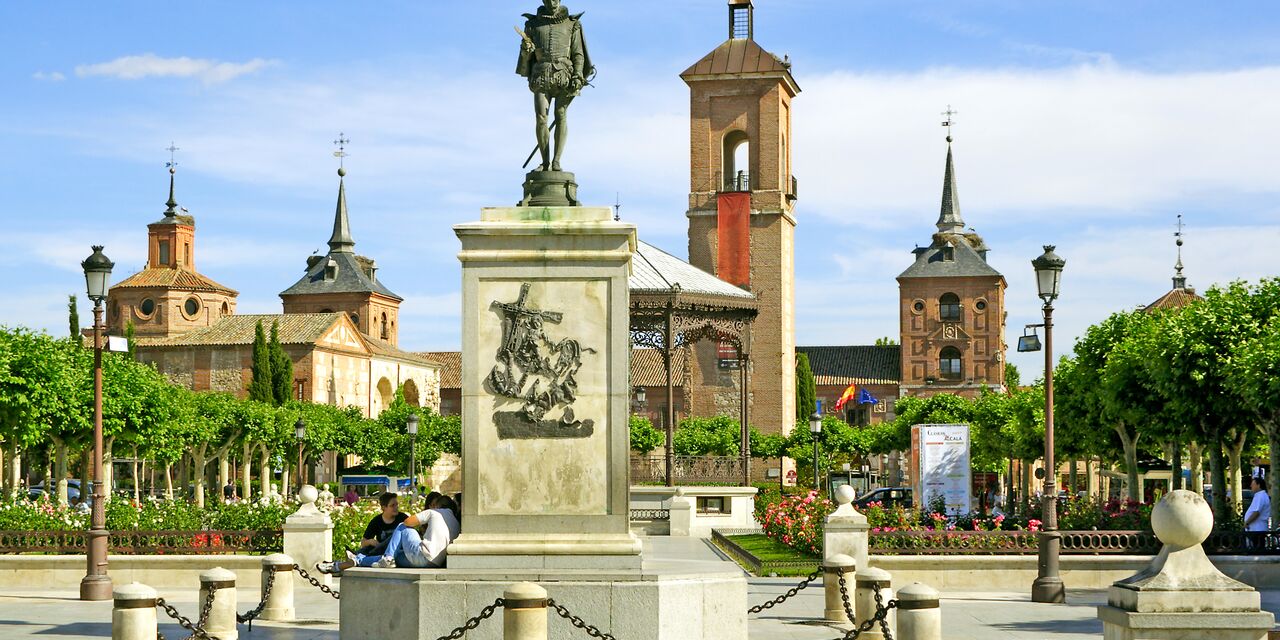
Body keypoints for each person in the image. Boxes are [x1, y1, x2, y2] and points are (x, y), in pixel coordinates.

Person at [1244, 477, 1271, 545]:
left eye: (1253, 484)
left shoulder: (1261, 496)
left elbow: (1256, 512)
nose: (1251, 486)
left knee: (1257, 550)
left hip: (1257, 529)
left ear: (1258, 485)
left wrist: (1247, 522)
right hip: (1255, 529)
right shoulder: (1260, 496)